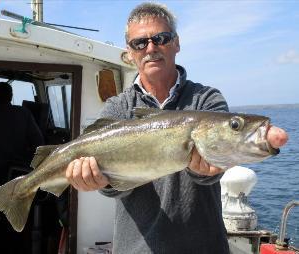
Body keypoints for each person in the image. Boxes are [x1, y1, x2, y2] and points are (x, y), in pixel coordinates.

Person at [65, 3, 288, 254]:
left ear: (177, 43)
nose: (151, 48)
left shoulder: (206, 99)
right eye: (140, 43)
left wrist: (203, 172)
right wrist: (97, 181)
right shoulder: (117, 108)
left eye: (161, 38)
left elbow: (214, 165)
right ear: (129, 52)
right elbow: (114, 187)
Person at [0, 81, 44, 254]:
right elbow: (38, 143)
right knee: (18, 216)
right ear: (11, 97)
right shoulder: (23, 113)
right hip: (17, 173)